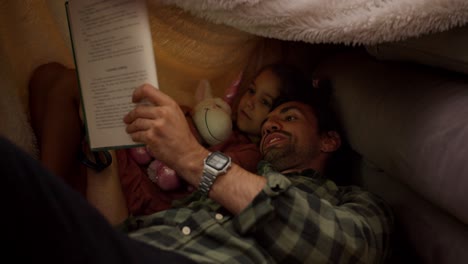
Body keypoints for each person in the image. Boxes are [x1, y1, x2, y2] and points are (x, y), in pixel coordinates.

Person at [7, 82, 393, 263]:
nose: (272, 124)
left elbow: (349, 250)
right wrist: (101, 154)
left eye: (288, 117)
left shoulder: (355, 203)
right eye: (269, 121)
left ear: (329, 141)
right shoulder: (225, 183)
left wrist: (192, 158)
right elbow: (119, 235)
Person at [118, 63, 316, 215]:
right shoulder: (224, 120)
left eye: (264, 102)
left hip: (154, 197)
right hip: (142, 165)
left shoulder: (251, 154)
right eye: (251, 91)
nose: (250, 103)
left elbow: (204, 173)